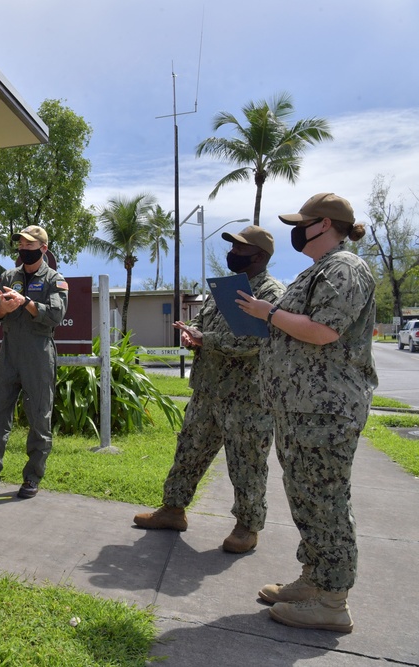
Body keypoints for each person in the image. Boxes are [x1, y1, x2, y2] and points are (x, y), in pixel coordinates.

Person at [237, 193, 376, 633]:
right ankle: (315, 580)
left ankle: (332, 601)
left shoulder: (344, 268)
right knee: (307, 498)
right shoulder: (317, 271)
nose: (297, 230)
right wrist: (265, 318)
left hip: (325, 410)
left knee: (325, 501)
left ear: (325, 225)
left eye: (304, 222)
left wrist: (270, 312)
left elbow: (324, 331)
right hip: (301, 409)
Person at [133, 226, 285, 553]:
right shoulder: (229, 289)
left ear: (259, 255)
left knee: (246, 464)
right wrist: (193, 333)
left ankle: (247, 526)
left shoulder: (271, 294)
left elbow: (254, 342)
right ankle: (173, 510)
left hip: (247, 400)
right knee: (188, 451)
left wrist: (207, 340)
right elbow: (205, 322)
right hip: (208, 390)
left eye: (240, 249)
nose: (233, 253)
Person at [0, 225, 69, 499]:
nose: (23, 250)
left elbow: (56, 314)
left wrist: (26, 302)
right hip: (9, 354)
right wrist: (1, 308)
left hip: (38, 353)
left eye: (29, 246)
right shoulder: (8, 276)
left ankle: (32, 478)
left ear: (43, 249)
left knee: (39, 418)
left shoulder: (55, 279)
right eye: (20, 245)